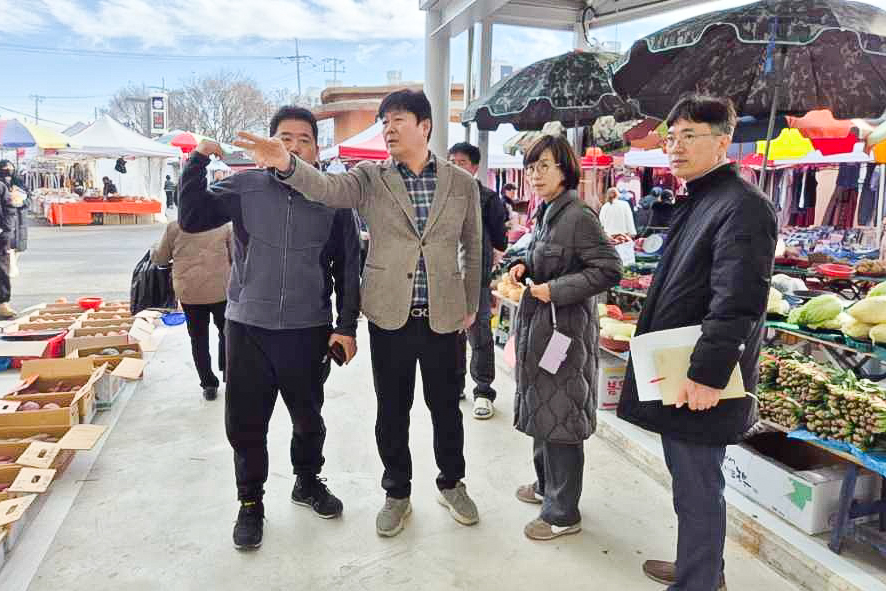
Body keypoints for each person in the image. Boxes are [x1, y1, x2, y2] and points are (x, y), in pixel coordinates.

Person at [234, 89, 483, 538]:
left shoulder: (462, 184)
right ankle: (397, 492)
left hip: (445, 316)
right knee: (393, 410)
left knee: (447, 408)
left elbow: (473, 245)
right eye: (384, 121)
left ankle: (452, 482)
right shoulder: (369, 178)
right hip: (390, 316)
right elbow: (325, 188)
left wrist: (471, 303)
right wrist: (288, 164)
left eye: (397, 120)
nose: (387, 129)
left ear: (424, 126)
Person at [178, 106, 361, 550]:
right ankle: (250, 504)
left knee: (308, 418)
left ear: (316, 149)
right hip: (248, 327)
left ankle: (307, 481)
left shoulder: (332, 196)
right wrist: (198, 161)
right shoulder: (246, 186)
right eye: (285, 137)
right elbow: (193, 216)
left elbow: (348, 267)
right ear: (269, 143)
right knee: (246, 424)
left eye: (304, 139)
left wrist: (346, 325)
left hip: (307, 328)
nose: (294, 146)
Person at [618, 95, 777, 591]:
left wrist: (708, 375)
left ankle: (699, 581)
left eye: (690, 135)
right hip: (678, 367)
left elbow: (739, 301)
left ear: (724, 141)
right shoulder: (702, 198)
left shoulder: (744, 207)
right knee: (689, 480)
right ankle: (702, 566)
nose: (676, 146)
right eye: (672, 136)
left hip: (700, 375)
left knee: (698, 484)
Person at [508, 134, 621, 541]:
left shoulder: (579, 215)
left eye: (545, 167)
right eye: (531, 167)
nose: (535, 175)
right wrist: (522, 265)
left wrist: (555, 290)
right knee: (543, 411)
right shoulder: (547, 213)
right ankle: (545, 487)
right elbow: (541, 254)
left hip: (565, 334)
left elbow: (609, 270)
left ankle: (562, 513)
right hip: (541, 330)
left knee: (562, 420)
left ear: (565, 170)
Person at [448, 142, 508, 419]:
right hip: (446, 280)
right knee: (450, 336)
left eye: (461, 162)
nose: (455, 166)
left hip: (477, 279)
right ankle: (455, 385)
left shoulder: (487, 199)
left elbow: (499, 239)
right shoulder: (441, 195)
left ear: (474, 167)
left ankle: (483, 391)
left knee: (479, 334)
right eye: (451, 161)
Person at [152, 220, 232, 400]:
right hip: (221, 290)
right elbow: (236, 256)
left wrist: (153, 250)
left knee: (198, 338)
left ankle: (208, 385)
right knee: (227, 333)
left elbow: (161, 258)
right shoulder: (224, 225)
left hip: (190, 293)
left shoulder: (175, 226)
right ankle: (229, 373)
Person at [0, 161, 20, 320]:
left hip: (3, 233)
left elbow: (11, 209)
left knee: (3, 268)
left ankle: (3, 303)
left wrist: (6, 231)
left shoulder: (4, 186)